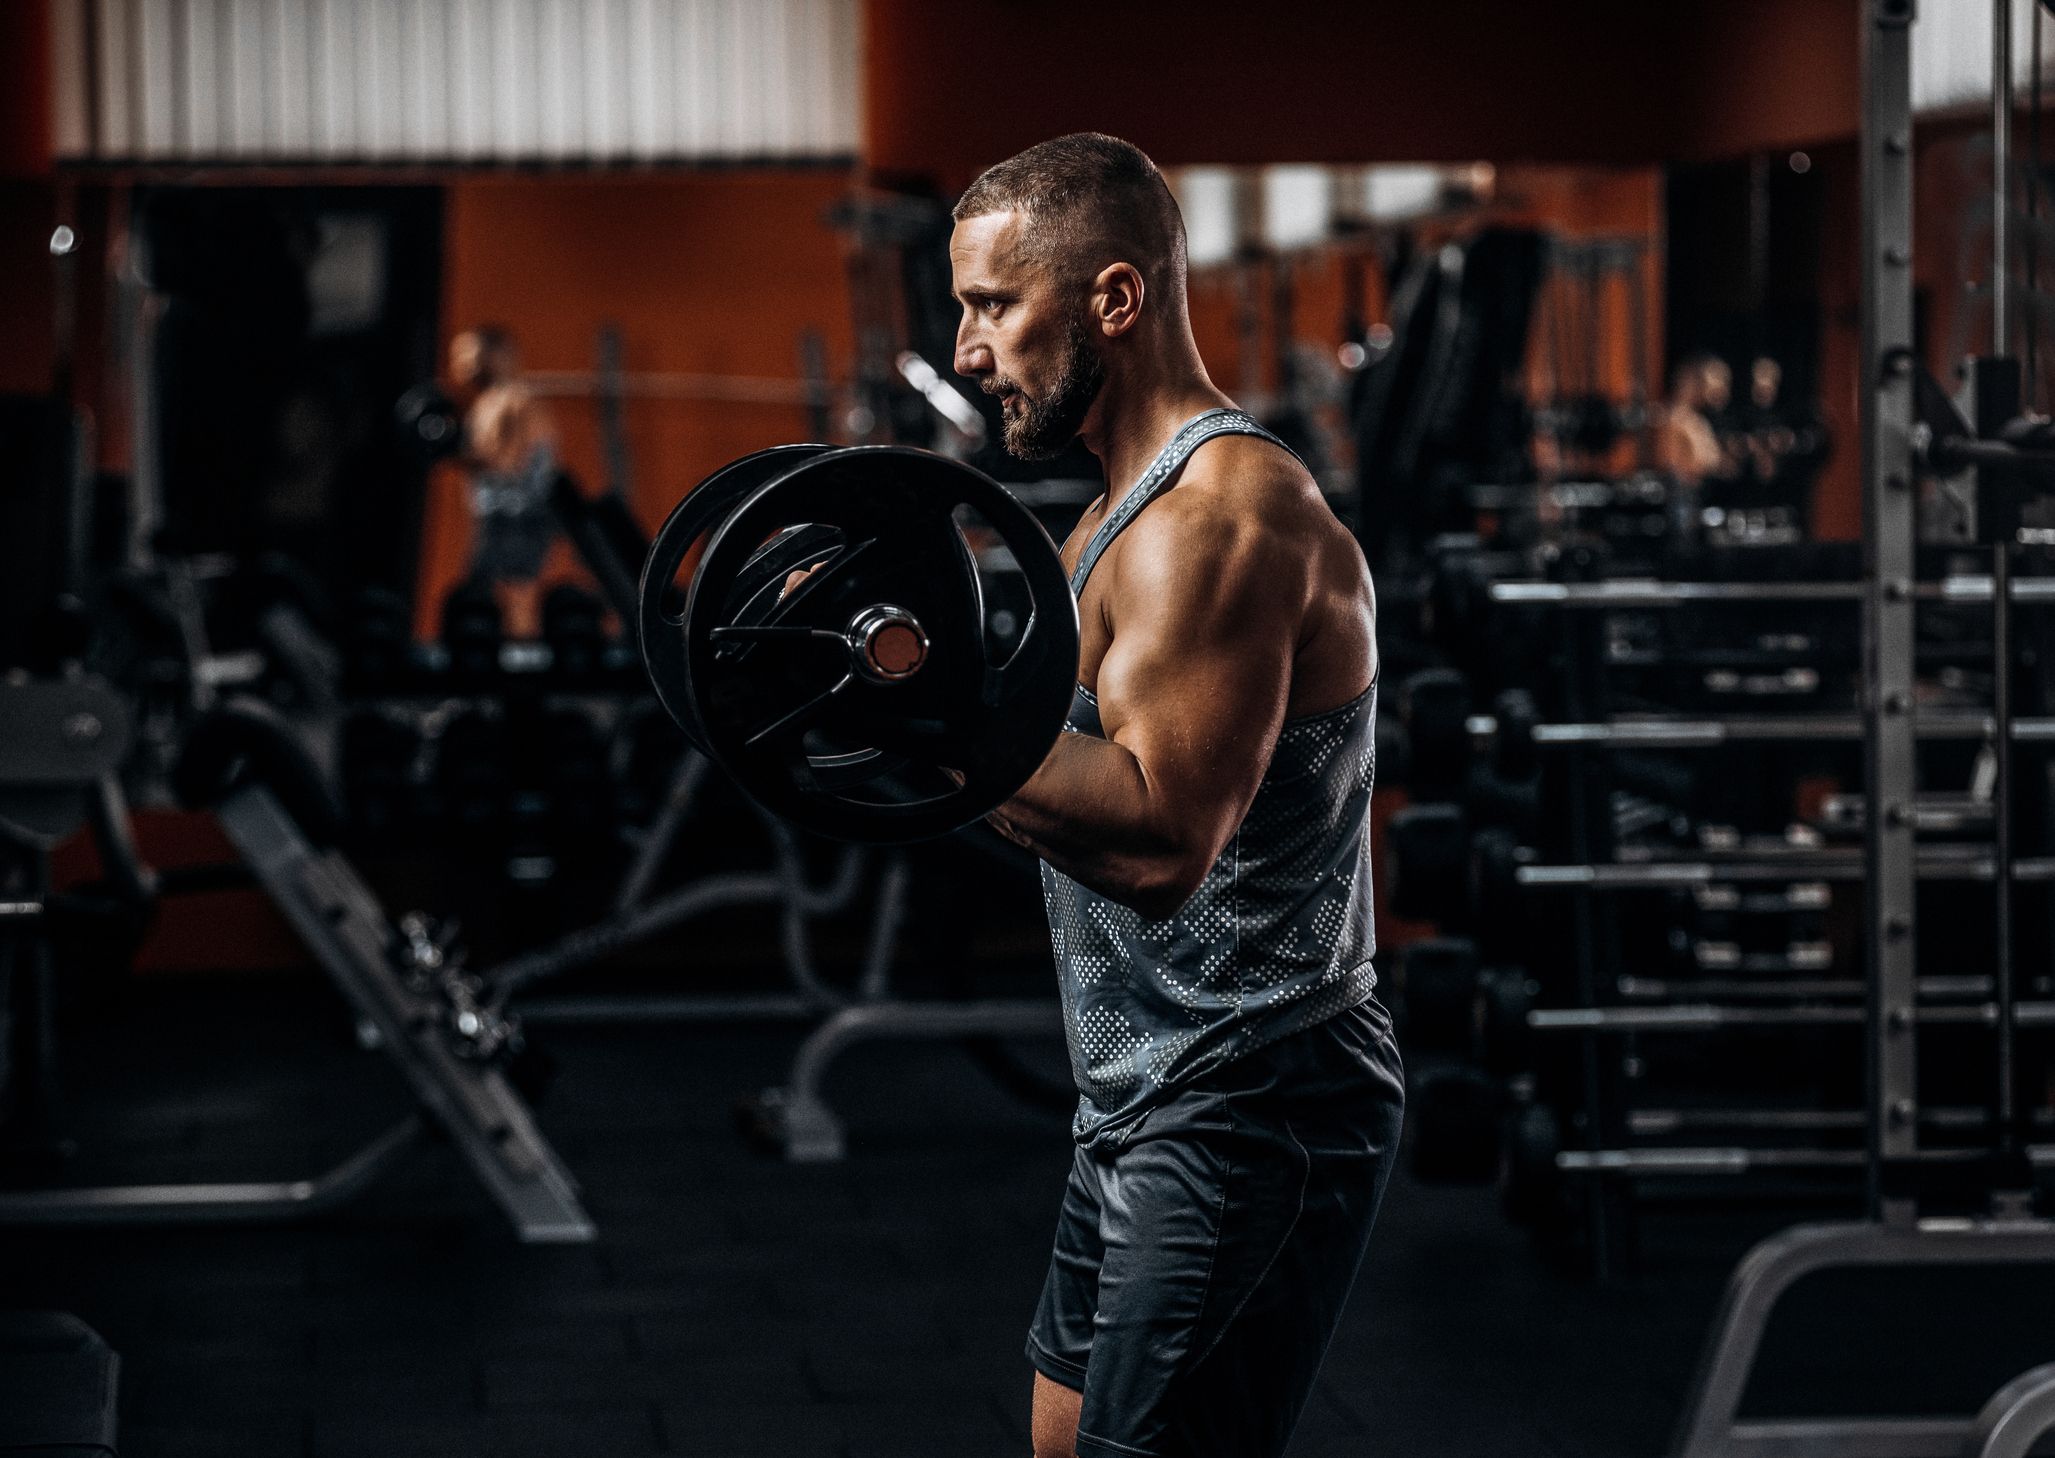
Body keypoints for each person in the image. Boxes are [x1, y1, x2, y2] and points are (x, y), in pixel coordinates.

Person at [948, 134, 1406, 1458]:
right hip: (1138, 1088)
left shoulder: (1223, 521)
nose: (969, 350)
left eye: (991, 305)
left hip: (1252, 1091)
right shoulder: (1101, 529)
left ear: (1112, 298)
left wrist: (936, 723)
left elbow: (1156, 846)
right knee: (1061, 1442)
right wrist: (915, 718)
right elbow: (1032, 783)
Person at [448, 324, 559, 637]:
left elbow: (508, 463)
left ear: (495, 354)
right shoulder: (488, 402)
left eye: (466, 353)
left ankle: (521, 672)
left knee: (515, 595)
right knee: (487, 595)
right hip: (499, 515)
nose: (458, 363)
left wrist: (454, 449)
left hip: (518, 516)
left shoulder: (513, 400)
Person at [1653, 349, 1734, 486]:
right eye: (1717, 378)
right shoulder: (1672, 419)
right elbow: (1673, 467)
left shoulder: (1697, 420)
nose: (1722, 389)